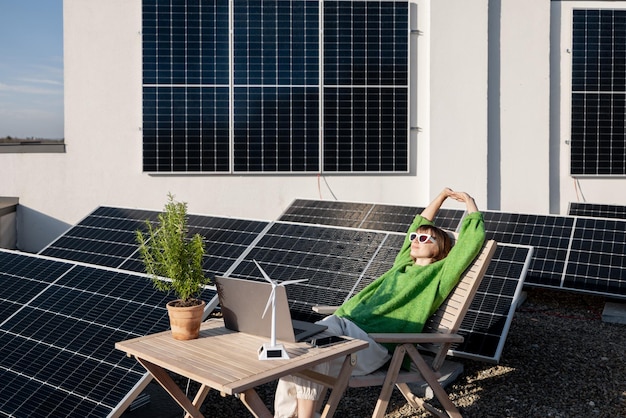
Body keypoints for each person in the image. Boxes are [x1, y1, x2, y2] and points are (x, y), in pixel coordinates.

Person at [274, 188, 486, 418]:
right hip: (345, 323)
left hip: (371, 343)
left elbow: (471, 242)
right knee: (299, 350)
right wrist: (441, 196)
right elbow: (420, 221)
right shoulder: (403, 264)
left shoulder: (440, 275)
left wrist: (469, 202)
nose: (415, 240)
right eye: (415, 237)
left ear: (440, 250)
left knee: (312, 354)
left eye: (424, 238)